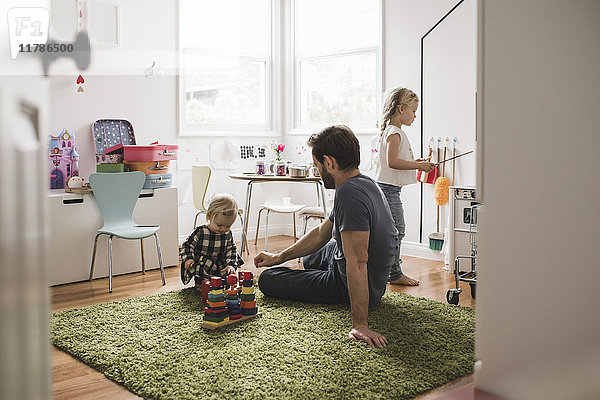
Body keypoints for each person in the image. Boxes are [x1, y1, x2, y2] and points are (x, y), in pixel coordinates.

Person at [255, 125, 398, 348]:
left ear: (329, 162)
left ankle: (314, 282)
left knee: (267, 280)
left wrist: (360, 324)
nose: (317, 172)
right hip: (367, 277)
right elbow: (323, 232)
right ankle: (306, 271)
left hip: (345, 286)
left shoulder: (348, 194)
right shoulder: (364, 182)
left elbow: (358, 262)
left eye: (317, 166)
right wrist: (279, 257)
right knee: (312, 256)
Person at [374, 87, 435, 286]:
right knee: (397, 231)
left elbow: (395, 159)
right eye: (413, 111)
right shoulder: (395, 133)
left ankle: (389, 271)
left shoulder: (392, 131)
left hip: (389, 188)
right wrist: (418, 165)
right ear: (401, 109)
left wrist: (414, 160)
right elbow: (392, 162)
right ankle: (394, 273)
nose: (415, 115)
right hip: (388, 190)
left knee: (393, 231)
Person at [180, 193, 244, 292]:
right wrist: (188, 259)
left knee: (227, 271)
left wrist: (231, 264)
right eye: (219, 225)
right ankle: (201, 284)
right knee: (202, 264)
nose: (223, 229)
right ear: (209, 216)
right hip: (204, 263)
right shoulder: (201, 231)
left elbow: (231, 249)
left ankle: (223, 284)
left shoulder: (227, 234)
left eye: (228, 226)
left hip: (220, 262)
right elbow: (188, 245)